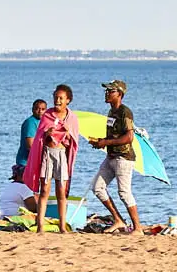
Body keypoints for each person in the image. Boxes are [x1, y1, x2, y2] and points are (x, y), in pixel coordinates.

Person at [85, 79, 140, 234]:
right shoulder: (111, 112)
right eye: (107, 90)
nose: (107, 93)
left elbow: (129, 137)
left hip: (123, 158)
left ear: (119, 94)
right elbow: (114, 135)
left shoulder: (125, 112)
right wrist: (100, 142)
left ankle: (138, 228)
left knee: (124, 193)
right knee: (97, 187)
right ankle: (118, 220)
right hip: (111, 157)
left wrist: (106, 142)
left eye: (111, 91)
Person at [24, 84, 79, 234]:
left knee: (61, 192)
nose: (57, 101)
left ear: (68, 100)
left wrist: (67, 134)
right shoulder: (47, 115)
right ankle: (40, 226)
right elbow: (38, 138)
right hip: (47, 154)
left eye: (61, 98)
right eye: (55, 97)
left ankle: (62, 226)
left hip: (61, 155)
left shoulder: (72, 118)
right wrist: (46, 134)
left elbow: (73, 142)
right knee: (44, 190)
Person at [17, 98, 46, 168]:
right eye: (37, 109)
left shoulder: (42, 122)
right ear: (32, 110)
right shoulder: (30, 122)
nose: (40, 111)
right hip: (26, 163)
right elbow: (30, 146)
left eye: (43, 109)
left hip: (32, 162)